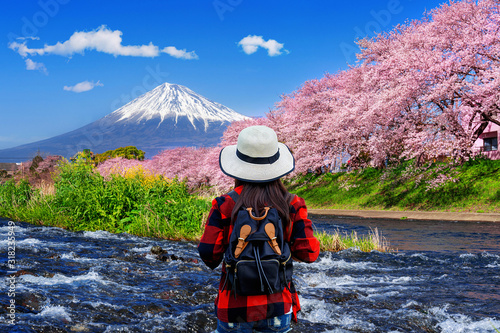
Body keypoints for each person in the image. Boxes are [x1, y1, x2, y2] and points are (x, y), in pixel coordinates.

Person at [198, 125, 320, 333]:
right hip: (277, 306)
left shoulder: (224, 204)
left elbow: (209, 255)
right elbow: (309, 253)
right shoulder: (293, 204)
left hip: (233, 307)